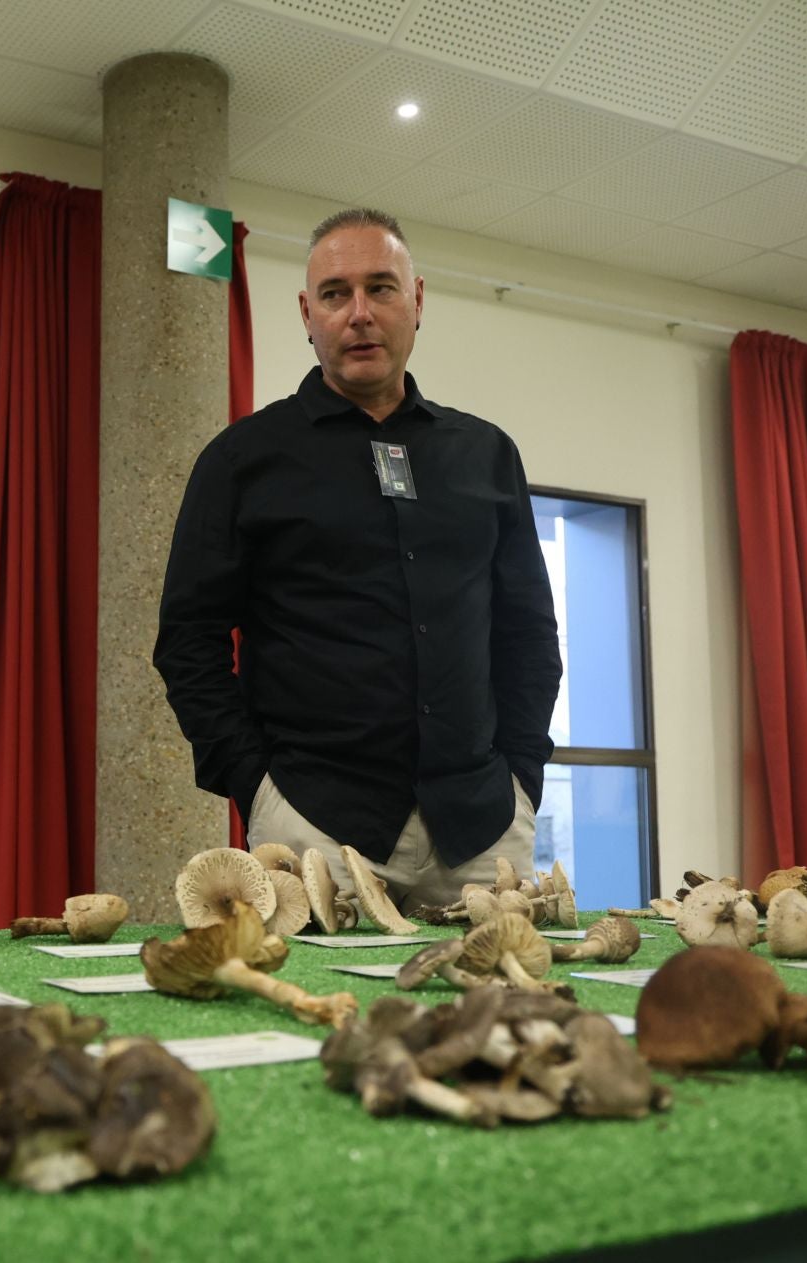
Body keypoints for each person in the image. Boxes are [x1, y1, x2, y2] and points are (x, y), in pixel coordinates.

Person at [154, 207, 560, 910]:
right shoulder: (242, 461)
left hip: (486, 833)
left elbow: (528, 634)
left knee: (500, 1020)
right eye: (336, 294)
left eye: (382, 288)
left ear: (418, 301)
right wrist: (256, 787)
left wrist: (522, 776)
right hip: (315, 828)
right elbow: (187, 643)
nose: (360, 313)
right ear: (307, 314)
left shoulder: (487, 455)